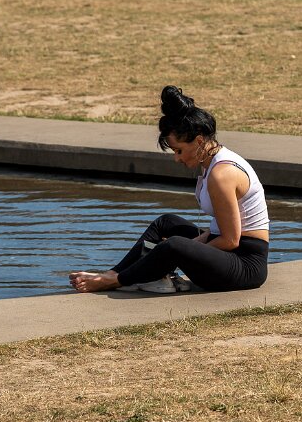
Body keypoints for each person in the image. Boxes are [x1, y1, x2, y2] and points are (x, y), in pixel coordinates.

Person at [69, 86, 270, 293]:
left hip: (245, 267)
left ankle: (115, 281)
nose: (177, 158)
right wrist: (187, 249)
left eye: (179, 150)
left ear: (199, 141)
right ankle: (114, 272)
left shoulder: (222, 174)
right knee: (166, 223)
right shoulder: (212, 163)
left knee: (174, 246)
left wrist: (182, 254)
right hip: (228, 252)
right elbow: (216, 229)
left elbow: (230, 240)